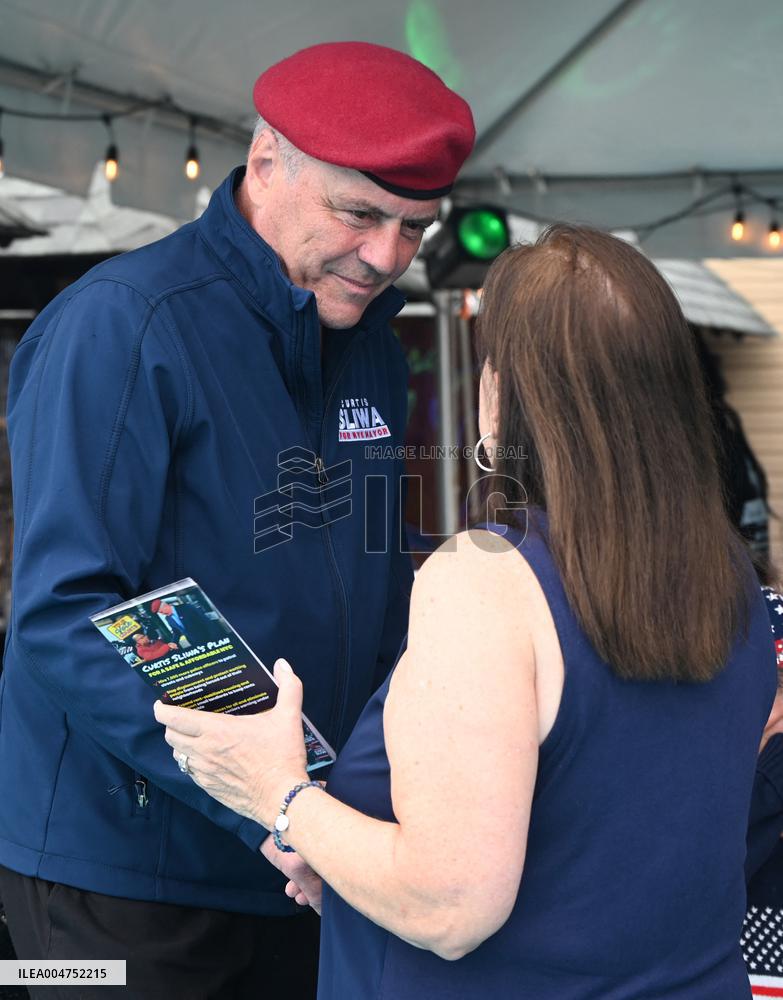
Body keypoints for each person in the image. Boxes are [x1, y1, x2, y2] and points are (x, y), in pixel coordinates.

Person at [158, 225, 778, 999]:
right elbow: (616, 840)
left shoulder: (484, 578)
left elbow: (449, 906)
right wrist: (351, 863)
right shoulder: (728, 573)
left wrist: (279, 795)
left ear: (497, 393)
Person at [0, 41, 474, 999]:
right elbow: (63, 616)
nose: (387, 256)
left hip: (306, 857)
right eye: (359, 213)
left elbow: (371, 583)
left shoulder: (373, 345)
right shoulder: (124, 323)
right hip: (113, 879)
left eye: (413, 229)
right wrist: (267, 805)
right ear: (265, 161)